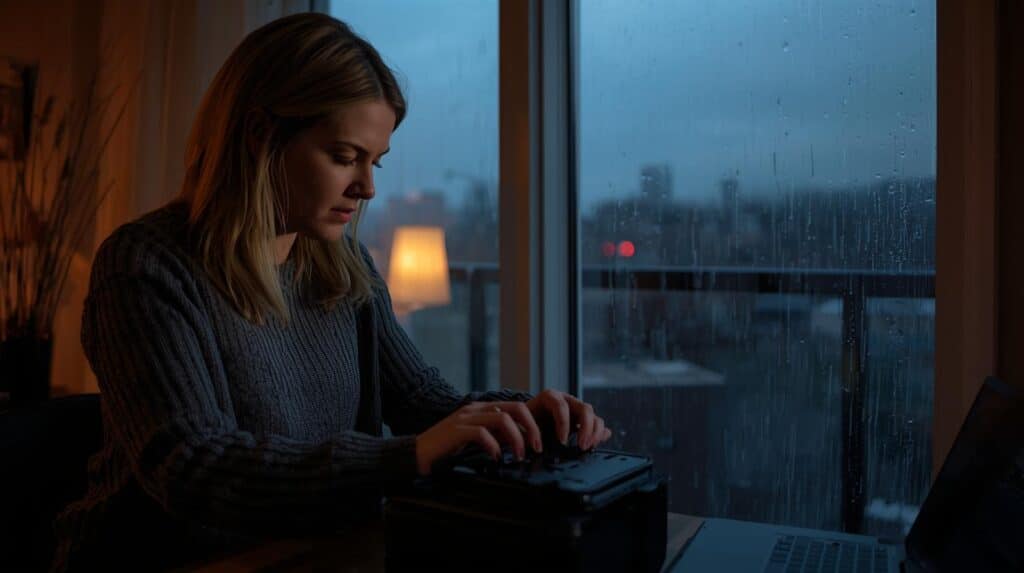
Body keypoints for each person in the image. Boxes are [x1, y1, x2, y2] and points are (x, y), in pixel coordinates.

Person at [49, 12, 611, 572]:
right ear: (259, 136)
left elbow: (423, 404)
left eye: (375, 163)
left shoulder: (344, 265)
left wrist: (523, 414)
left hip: (317, 555)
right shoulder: (145, 266)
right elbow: (193, 466)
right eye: (345, 157)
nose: (366, 188)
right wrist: (407, 457)